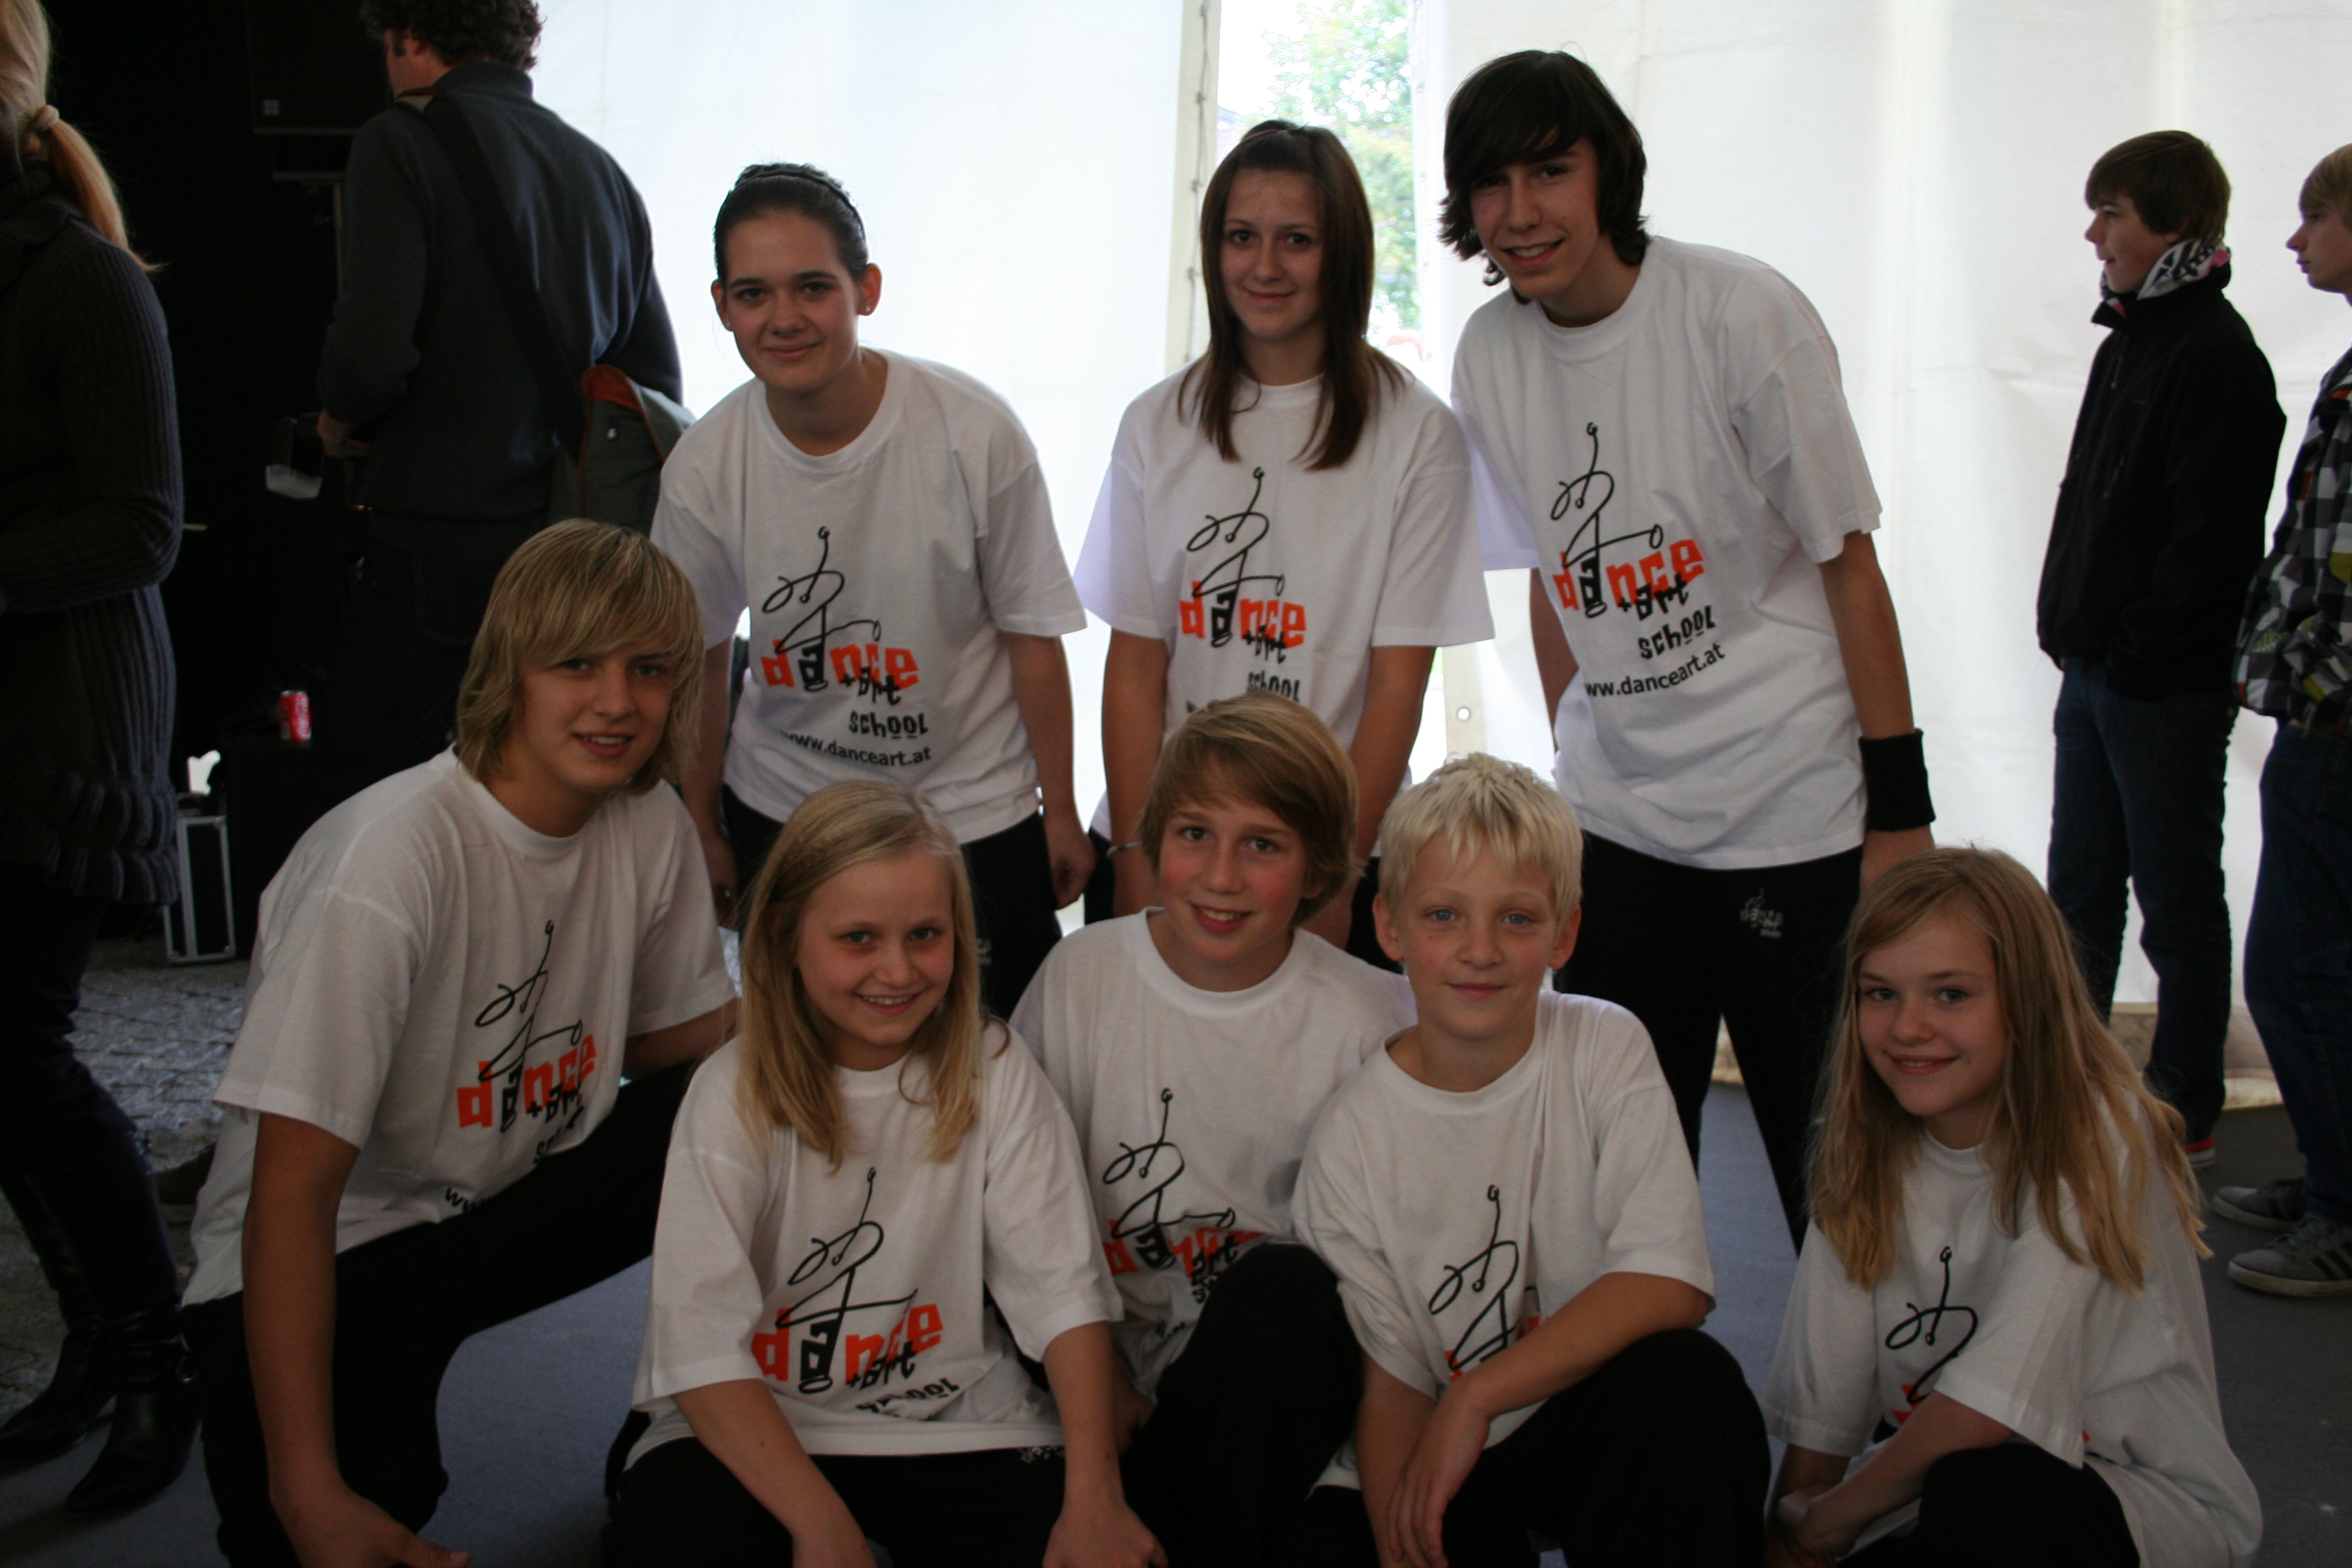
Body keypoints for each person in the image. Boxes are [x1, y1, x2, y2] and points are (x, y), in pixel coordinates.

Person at [1443, 50, 1935, 1243]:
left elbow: (1849, 563)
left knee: (1838, 1178)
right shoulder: (1490, 352)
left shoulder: (1739, 311)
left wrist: (1900, 814)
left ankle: (1858, 1372)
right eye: (1493, 183)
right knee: (1622, 1182)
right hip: (1623, 832)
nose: (1521, 212)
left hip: (1792, 814)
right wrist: (1574, 768)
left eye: (1551, 172)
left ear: (1609, 172)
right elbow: (1556, 575)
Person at [183, 521, 738, 1568]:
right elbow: (290, 1195)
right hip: (342, 1242)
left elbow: (681, 1047)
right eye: (577, 664)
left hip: (504, 1196)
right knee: (348, 1514)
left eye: (650, 669)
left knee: (768, 1085)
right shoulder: (386, 864)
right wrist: (307, 1492)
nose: (617, 701)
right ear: (509, 670)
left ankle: (706, 1424)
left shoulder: (648, 819)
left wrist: (844, 1008)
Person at [606, 779, 1159, 1568]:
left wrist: (1095, 1499)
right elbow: (697, 1346)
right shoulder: (732, 1091)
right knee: (679, 1539)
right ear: (784, 936)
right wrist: (822, 1526)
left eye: (925, 934)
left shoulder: (995, 1067)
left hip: (957, 1423)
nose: (896, 971)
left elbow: (1062, 1291)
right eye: (858, 938)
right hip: (764, 1421)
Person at [1290, 753, 1766, 1568]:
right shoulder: (1353, 1134)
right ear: (1390, 926)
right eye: (1444, 916)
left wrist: (1478, 1396)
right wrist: (1405, 1537)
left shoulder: (1605, 1045)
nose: (1480, 950)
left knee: (1692, 1385)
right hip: (1442, 1447)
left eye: (1516, 919)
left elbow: (1669, 1281)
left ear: (1564, 933)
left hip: (1567, 1415)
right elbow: (1391, 1379)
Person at [657, 163, 1090, 1019]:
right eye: (753, 294)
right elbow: (697, 659)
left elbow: (1033, 638)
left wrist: (1062, 810)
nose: (784, 318)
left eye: (813, 287)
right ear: (721, 306)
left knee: (1000, 1051)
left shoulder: (974, 433)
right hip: (786, 806)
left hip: (972, 808)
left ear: (867, 289)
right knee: (807, 1056)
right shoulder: (705, 466)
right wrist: (701, 823)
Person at [1764, 848, 2260, 1568]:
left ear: (2028, 1000)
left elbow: (1990, 1406)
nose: (1907, 1028)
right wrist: (1792, 1539)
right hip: (1934, 1491)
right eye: (1880, 993)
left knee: (1989, 1494)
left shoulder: (2097, 1130)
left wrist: (1825, 1521)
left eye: (1951, 994)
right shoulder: (1865, 1150)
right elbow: (1823, 1419)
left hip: (2134, 1502)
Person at [1011, 691, 1413, 1565]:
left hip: (1269, 1396)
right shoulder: (1082, 977)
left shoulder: (1369, 1017)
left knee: (1286, 1293)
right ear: (1153, 840)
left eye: (1263, 845)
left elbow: (1384, 1280)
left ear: (1318, 869)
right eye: (1195, 834)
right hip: (1095, 1388)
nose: (1221, 877)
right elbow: (1015, 1212)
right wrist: (1100, 1388)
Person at [1077, 120, 1492, 966]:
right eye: (1241, 237)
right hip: (1171, 844)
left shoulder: (1416, 433)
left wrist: (1339, 873)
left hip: (1327, 851)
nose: (1264, 266)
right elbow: (1137, 663)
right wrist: (1135, 854)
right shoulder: (1156, 422)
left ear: (1343, 254)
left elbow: (1398, 683)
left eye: (1297, 240)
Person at [0, 0, 195, 1514]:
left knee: (17, 1052)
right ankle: (94, 1354)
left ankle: (157, 1369)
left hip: (60, 716)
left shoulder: (78, 275)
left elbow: (140, 526)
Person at [314, 0, 680, 796]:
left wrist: (338, 420)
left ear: (407, 36)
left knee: (384, 798)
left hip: (438, 550)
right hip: (567, 556)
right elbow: (651, 388)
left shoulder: (399, 140)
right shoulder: (598, 170)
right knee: (540, 796)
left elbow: (371, 358)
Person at [2038, 130, 2285, 1169]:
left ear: (2175, 223)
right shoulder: (2126, 343)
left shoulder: (2218, 356)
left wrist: (2139, 651)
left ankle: (2185, 1104)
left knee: (2175, 899)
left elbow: (2211, 542)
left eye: (2114, 214)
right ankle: (2069, 1089)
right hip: (2097, 671)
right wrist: (2066, 627)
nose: (2095, 235)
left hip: (2161, 685)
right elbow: (2088, 504)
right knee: (2078, 894)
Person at [2214, 143, 2352, 1296]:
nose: (2298, 240)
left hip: (2336, 726)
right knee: (2301, 967)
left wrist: (2316, 684)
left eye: (2316, 217)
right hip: (2319, 716)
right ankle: (2332, 1174)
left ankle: (2345, 1210)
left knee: (2308, 971)